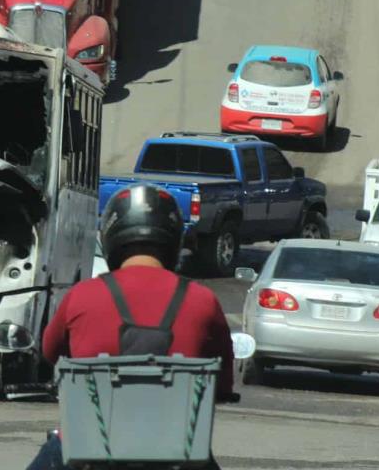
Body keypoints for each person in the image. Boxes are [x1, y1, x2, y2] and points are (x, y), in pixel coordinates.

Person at [27, 184, 235, 470]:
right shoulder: (204, 301)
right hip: (180, 454)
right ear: (174, 239)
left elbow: (50, 353)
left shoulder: (82, 295)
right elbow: (222, 384)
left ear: (111, 237)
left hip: (87, 449)